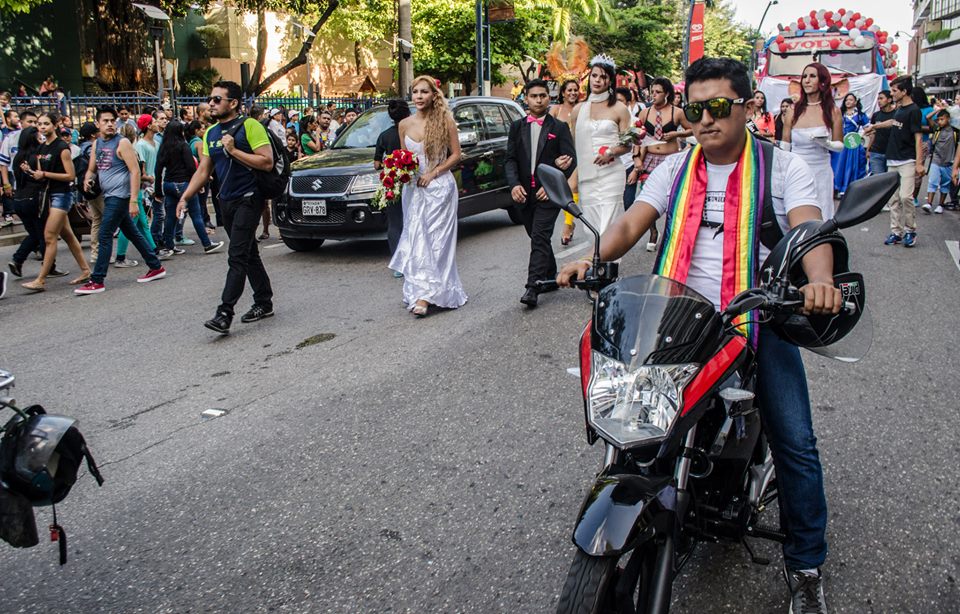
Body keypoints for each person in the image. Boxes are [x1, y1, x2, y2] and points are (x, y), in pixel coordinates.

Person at [558, 57, 838, 614]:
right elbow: (630, 223)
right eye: (696, 108)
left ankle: (806, 566)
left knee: (796, 442)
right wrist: (587, 257)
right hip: (679, 316)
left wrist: (820, 282)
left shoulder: (782, 168)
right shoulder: (673, 169)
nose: (705, 120)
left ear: (748, 107)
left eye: (718, 107)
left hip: (757, 315)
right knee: (627, 412)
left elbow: (808, 229)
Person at [176, 81, 275, 334]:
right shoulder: (210, 134)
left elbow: (266, 162)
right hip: (226, 200)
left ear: (233, 103)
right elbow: (204, 169)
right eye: (210, 99)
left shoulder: (250, 126)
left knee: (237, 256)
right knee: (249, 252)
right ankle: (264, 301)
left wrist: (233, 150)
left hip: (249, 198)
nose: (211, 103)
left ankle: (224, 313)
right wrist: (185, 197)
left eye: (217, 99)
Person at [388, 75, 467, 316]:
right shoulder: (404, 124)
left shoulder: (445, 121)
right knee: (416, 240)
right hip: (414, 189)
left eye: (424, 92)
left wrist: (434, 173)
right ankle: (421, 289)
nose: (419, 96)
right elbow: (404, 157)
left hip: (440, 188)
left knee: (435, 241)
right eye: (415, 92)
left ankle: (426, 295)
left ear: (434, 95)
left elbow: (456, 155)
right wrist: (397, 173)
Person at [74, 107, 166, 295]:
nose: (109, 124)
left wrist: (133, 200)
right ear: (98, 124)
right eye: (105, 121)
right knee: (132, 232)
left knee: (105, 234)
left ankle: (97, 279)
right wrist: (87, 179)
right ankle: (155, 266)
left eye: (112, 121)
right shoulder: (97, 144)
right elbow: (92, 168)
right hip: (109, 195)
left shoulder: (122, 143)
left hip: (120, 196)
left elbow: (135, 171)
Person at [505, 79, 576, 308]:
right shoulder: (517, 127)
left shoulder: (559, 127)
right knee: (538, 237)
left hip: (548, 195)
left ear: (549, 98)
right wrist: (514, 185)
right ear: (526, 98)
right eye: (534, 96)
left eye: (543, 95)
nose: (538, 100)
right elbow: (510, 160)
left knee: (539, 236)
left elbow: (570, 160)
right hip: (523, 194)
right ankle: (551, 273)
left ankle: (532, 287)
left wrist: (554, 183)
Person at [19, 112, 90, 291]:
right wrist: (31, 171)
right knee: (68, 235)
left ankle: (41, 279)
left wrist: (44, 174)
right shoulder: (42, 148)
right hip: (48, 195)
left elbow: (70, 176)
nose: (42, 127)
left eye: (46, 124)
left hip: (62, 195)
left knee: (49, 236)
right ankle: (85, 270)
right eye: (40, 124)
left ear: (55, 125)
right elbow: (41, 176)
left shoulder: (61, 147)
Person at [570, 55, 633, 245]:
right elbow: (574, 146)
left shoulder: (620, 108)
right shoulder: (578, 110)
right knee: (592, 225)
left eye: (603, 77)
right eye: (594, 76)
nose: (597, 80)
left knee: (609, 222)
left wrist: (611, 152)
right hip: (588, 175)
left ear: (610, 81)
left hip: (611, 173)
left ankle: (608, 266)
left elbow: (627, 143)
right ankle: (597, 259)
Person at [634, 76, 693, 251]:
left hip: (670, 158)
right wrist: (637, 158)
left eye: (658, 92)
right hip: (650, 159)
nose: (654, 95)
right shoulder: (645, 113)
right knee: (647, 196)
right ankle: (653, 231)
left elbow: (692, 129)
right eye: (652, 92)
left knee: (672, 196)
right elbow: (636, 137)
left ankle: (671, 232)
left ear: (666, 93)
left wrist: (677, 135)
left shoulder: (677, 112)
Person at [780, 62, 842, 221]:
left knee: (822, 212)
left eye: (812, 76)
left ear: (822, 81)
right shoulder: (793, 110)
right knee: (796, 211)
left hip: (821, 169)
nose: (806, 80)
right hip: (796, 169)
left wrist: (826, 143)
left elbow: (839, 145)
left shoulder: (832, 111)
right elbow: (785, 146)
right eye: (804, 76)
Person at [865, 76, 923, 248]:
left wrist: (919, 163)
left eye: (894, 91)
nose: (892, 94)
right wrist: (874, 127)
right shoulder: (899, 108)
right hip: (892, 159)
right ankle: (896, 232)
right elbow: (893, 122)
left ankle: (910, 230)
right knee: (893, 199)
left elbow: (918, 138)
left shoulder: (914, 110)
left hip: (907, 160)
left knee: (906, 197)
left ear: (904, 91)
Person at [154, 120, 224, 258]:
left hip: (168, 184)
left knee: (170, 216)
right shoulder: (183, 146)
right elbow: (191, 168)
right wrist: (198, 185)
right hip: (184, 183)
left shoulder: (163, 147)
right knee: (196, 214)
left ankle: (169, 245)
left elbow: (158, 169)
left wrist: (158, 190)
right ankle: (207, 243)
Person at [7, 127, 67, 281]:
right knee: (44, 235)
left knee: (35, 234)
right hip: (34, 199)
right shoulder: (37, 157)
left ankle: (18, 259)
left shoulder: (18, 157)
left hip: (19, 199)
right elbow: (40, 178)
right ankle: (49, 266)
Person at [374, 99, 411, 274]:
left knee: (395, 223)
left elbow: (376, 164)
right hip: (411, 179)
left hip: (392, 182)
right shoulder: (413, 131)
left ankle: (398, 265)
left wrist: (388, 165)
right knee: (413, 220)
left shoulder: (384, 135)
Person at [549, 78, 581, 245]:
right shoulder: (556, 109)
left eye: (575, 90)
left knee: (572, 187)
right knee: (560, 191)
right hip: (558, 157)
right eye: (569, 90)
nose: (572, 93)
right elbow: (545, 130)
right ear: (563, 93)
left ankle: (568, 225)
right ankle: (570, 221)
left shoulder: (582, 108)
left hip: (577, 154)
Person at [1, 109, 37, 227]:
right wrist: (6, 184)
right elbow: (4, 163)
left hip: (37, 185)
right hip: (18, 184)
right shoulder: (10, 138)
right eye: (29, 121)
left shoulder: (41, 138)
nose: (33, 125)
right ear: (21, 122)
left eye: (35, 122)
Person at [831, 93, 869, 196]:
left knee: (852, 166)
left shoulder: (860, 115)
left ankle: (848, 188)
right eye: (846, 100)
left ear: (855, 102)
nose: (848, 102)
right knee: (838, 165)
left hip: (853, 143)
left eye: (851, 100)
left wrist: (860, 137)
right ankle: (836, 187)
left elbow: (868, 129)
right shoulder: (840, 113)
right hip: (841, 142)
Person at [922, 109, 957, 214]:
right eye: (938, 120)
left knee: (945, 185)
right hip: (936, 160)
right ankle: (929, 203)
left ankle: (941, 204)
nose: (940, 122)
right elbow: (928, 117)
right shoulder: (937, 129)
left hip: (949, 162)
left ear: (948, 119)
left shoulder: (955, 131)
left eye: (942, 119)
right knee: (932, 181)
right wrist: (938, 110)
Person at [866, 90, 894, 177]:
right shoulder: (876, 115)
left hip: (891, 153)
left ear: (889, 100)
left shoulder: (896, 114)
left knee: (889, 181)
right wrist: (868, 149)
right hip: (876, 152)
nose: (879, 101)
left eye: (881, 98)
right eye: (878, 99)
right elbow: (873, 134)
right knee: (878, 180)